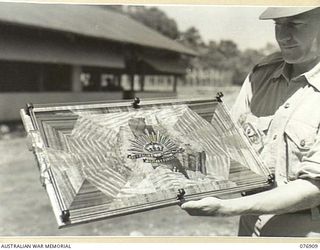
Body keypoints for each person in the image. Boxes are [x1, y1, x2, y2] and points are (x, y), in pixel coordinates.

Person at [180, 7, 320, 237]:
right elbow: (229, 143)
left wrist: (227, 207)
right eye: (278, 24)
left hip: (305, 230)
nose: (283, 36)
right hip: (250, 223)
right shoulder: (261, 75)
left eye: (296, 24)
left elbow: (315, 188)